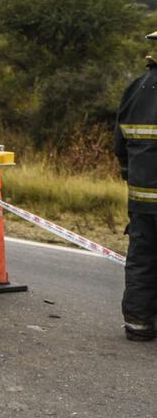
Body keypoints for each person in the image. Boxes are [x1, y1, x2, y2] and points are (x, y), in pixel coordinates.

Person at [115, 30, 157, 341]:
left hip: (142, 197)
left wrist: (131, 172)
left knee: (142, 258)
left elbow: (120, 141)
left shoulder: (137, 88)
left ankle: (138, 324)